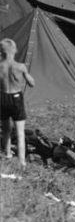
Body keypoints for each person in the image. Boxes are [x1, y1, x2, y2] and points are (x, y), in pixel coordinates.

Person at [1, 38, 35, 167]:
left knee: (6, 130)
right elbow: (32, 83)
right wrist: (26, 74)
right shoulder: (20, 66)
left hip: (2, 98)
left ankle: (8, 154)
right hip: (16, 98)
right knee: (20, 132)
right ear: (14, 50)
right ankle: (21, 162)